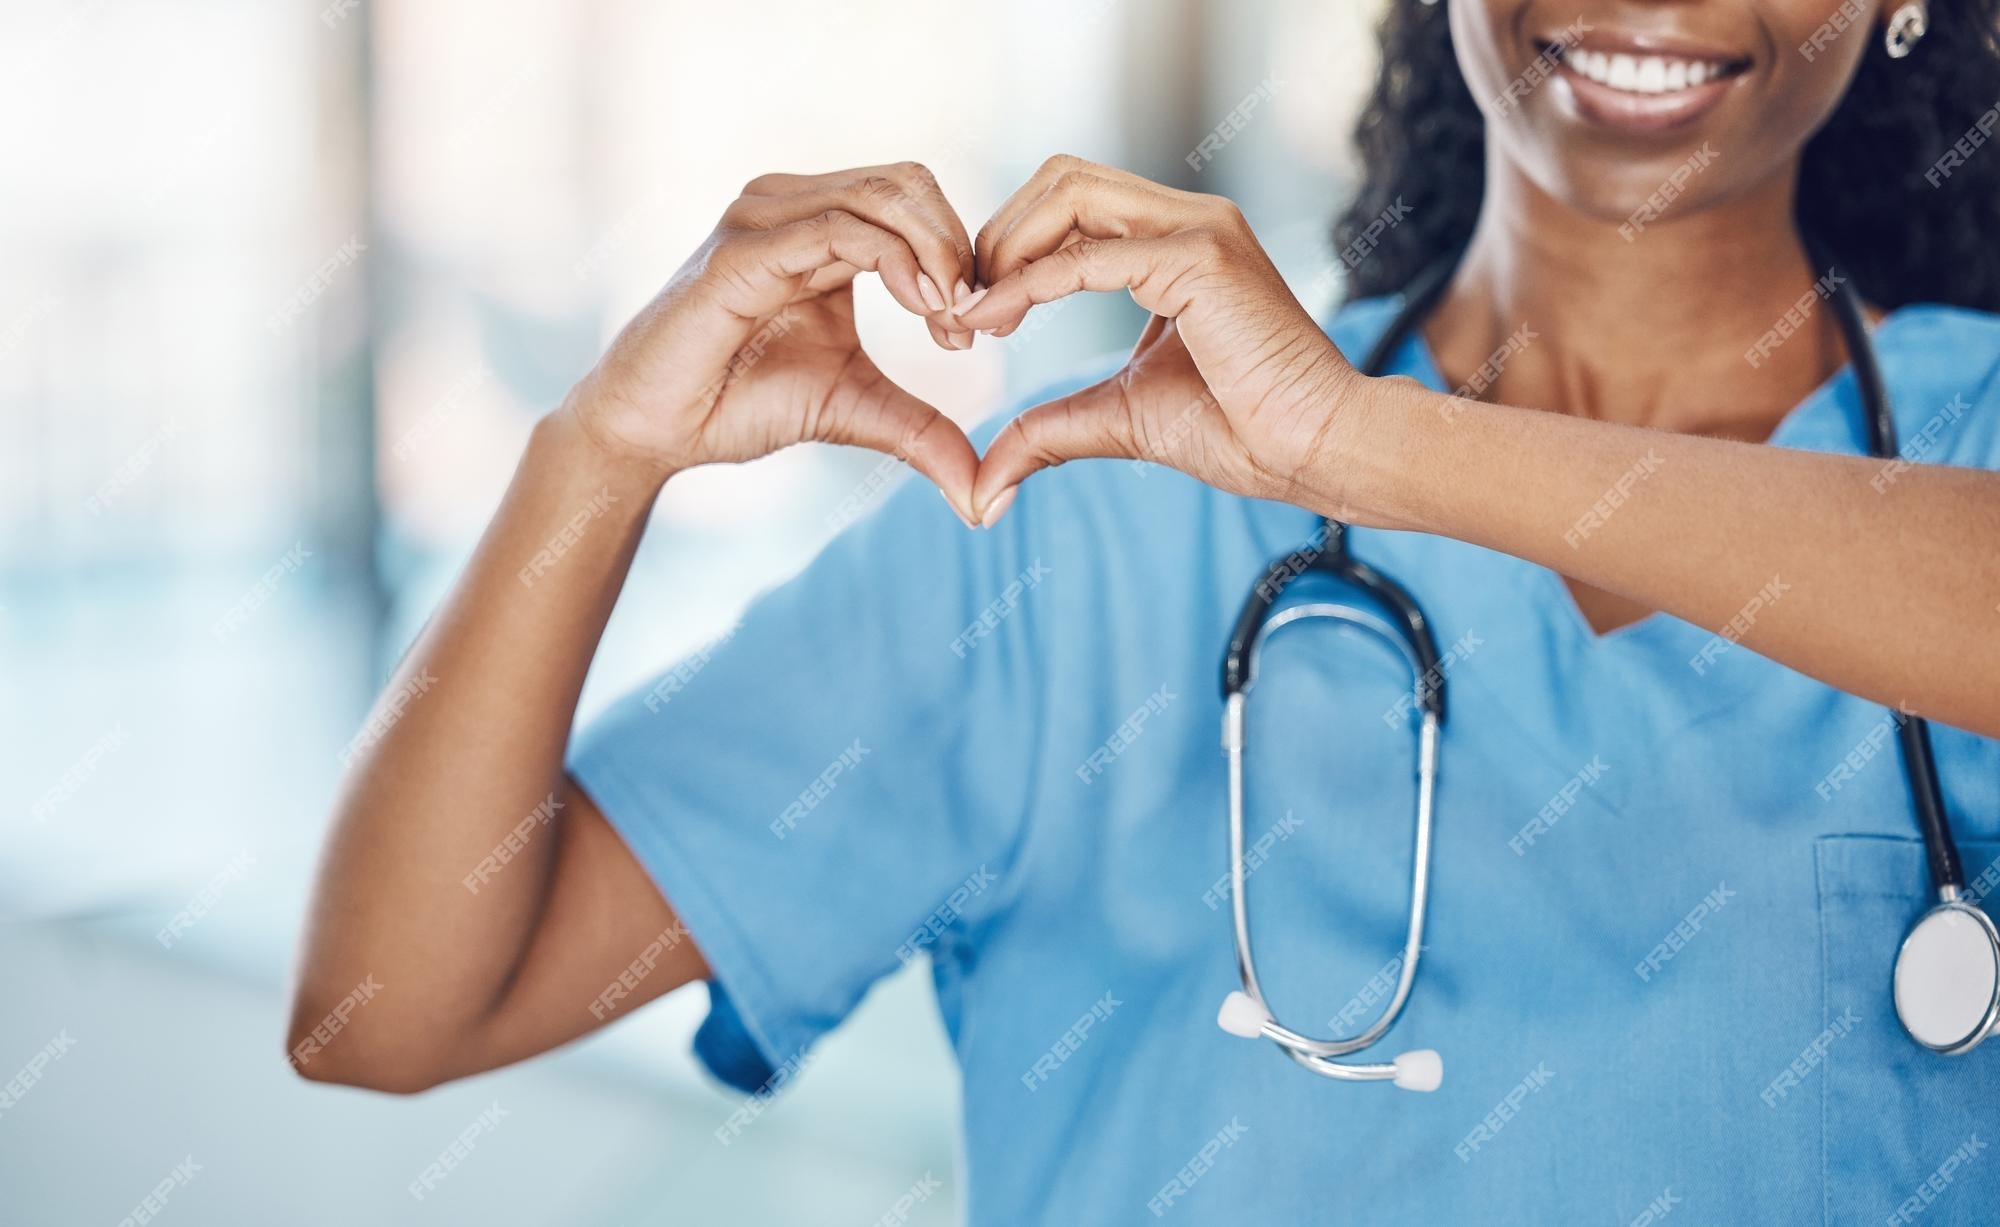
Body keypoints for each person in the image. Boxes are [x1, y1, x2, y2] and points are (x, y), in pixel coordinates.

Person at [291, 0, 2000, 1220]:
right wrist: (597, 453)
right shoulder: (1082, 520)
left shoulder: (1970, 457)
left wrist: (1370, 447)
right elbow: (388, 1010)